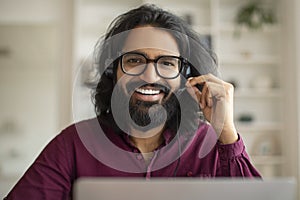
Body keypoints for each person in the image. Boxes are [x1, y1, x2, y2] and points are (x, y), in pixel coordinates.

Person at [5, 4, 261, 200]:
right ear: (112, 71)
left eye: (167, 63)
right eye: (134, 61)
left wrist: (227, 133)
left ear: (187, 78)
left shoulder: (212, 143)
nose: (150, 76)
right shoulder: (73, 143)